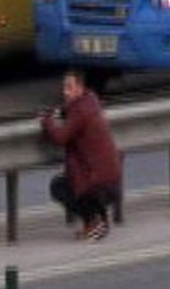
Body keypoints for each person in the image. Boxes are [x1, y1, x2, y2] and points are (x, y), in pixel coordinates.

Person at [40, 69, 121, 241]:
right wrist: (60, 112)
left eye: (69, 87)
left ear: (80, 88)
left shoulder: (80, 112)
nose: (65, 92)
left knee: (59, 187)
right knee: (69, 182)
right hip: (109, 179)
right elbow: (69, 112)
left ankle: (96, 222)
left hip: (97, 181)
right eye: (64, 87)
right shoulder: (90, 101)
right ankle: (96, 223)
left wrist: (46, 121)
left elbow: (60, 137)